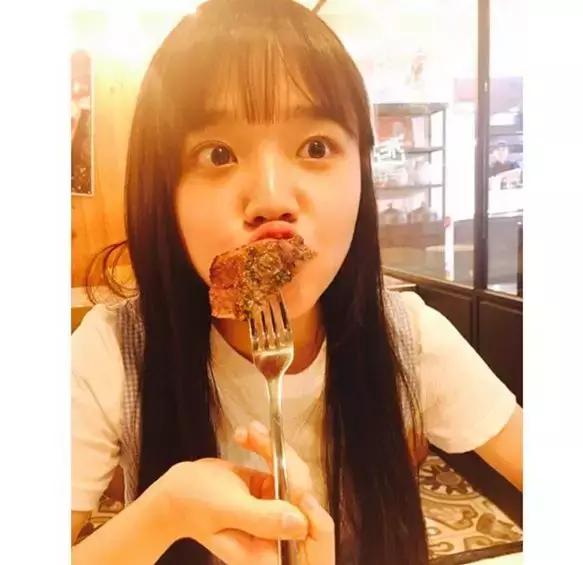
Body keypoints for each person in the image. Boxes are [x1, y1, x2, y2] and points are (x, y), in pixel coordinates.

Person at [71, 1, 523, 564]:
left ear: (362, 173)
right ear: (161, 191)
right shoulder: (114, 352)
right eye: (218, 153)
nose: (271, 199)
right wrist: (160, 518)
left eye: (316, 147)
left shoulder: (407, 338)